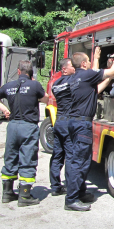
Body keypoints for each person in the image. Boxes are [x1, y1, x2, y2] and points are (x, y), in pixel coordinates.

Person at [63, 43, 114, 212]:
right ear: (83, 64)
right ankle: (71, 199)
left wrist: (97, 60)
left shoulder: (75, 78)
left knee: (79, 159)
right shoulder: (86, 75)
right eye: (88, 61)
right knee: (80, 162)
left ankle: (79, 193)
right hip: (82, 124)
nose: (90, 63)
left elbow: (95, 89)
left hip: (74, 122)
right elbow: (111, 71)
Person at [0, 60, 49, 207]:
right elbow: (46, 99)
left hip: (13, 125)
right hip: (28, 126)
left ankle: (7, 193)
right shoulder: (35, 85)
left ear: (18, 71)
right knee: (27, 158)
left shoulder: (9, 85)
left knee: (10, 157)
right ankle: (24, 196)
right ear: (31, 73)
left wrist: (4, 109)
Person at [48, 57, 76, 197]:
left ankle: (55, 187)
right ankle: (71, 189)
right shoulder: (72, 82)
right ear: (64, 69)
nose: (74, 68)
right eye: (72, 66)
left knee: (57, 155)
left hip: (58, 121)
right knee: (70, 156)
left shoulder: (56, 83)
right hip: (68, 123)